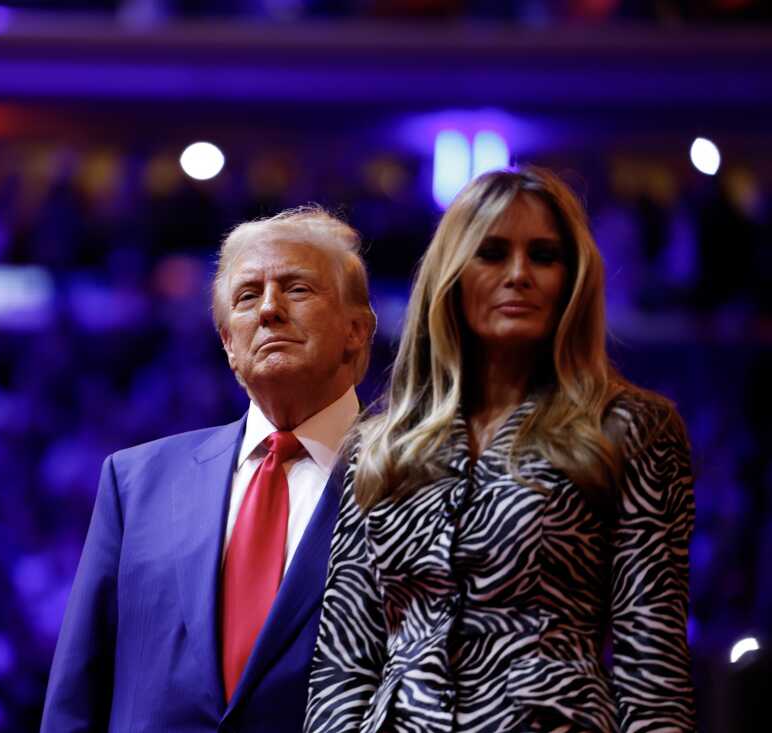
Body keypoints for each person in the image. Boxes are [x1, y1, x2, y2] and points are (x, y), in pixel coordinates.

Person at [305, 168, 695, 733]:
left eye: (544, 255)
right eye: (491, 253)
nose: (519, 275)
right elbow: (344, 662)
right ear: (452, 276)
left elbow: (651, 662)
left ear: (573, 278)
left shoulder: (631, 428)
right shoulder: (380, 443)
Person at [42, 206, 378, 733]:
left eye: (297, 289)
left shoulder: (418, 484)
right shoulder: (135, 483)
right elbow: (76, 700)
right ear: (227, 343)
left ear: (357, 330)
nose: (269, 309)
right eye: (248, 296)